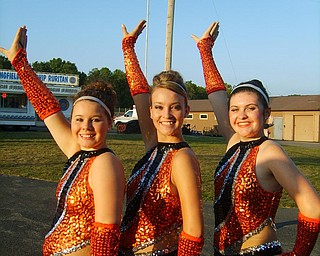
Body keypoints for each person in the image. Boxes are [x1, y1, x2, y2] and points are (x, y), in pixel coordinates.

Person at [192, 22, 320, 255]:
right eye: (235, 109)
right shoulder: (234, 142)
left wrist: (297, 254)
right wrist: (205, 51)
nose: (241, 116)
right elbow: (217, 95)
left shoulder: (270, 151)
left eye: (250, 108)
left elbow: (313, 207)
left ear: (266, 113)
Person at [0, 26, 126, 256]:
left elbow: (106, 238)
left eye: (95, 120)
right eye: (79, 119)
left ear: (110, 122)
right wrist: (20, 63)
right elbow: (47, 108)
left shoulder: (105, 163)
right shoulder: (79, 152)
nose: (85, 127)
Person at [118, 20, 204, 255]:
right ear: (150, 110)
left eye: (174, 107)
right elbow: (138, 92)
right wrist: (128, 48)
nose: (165, 115)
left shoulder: (182, 159)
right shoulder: (154, 146)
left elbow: (194, 231)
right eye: (158, 107)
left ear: (186, 110)